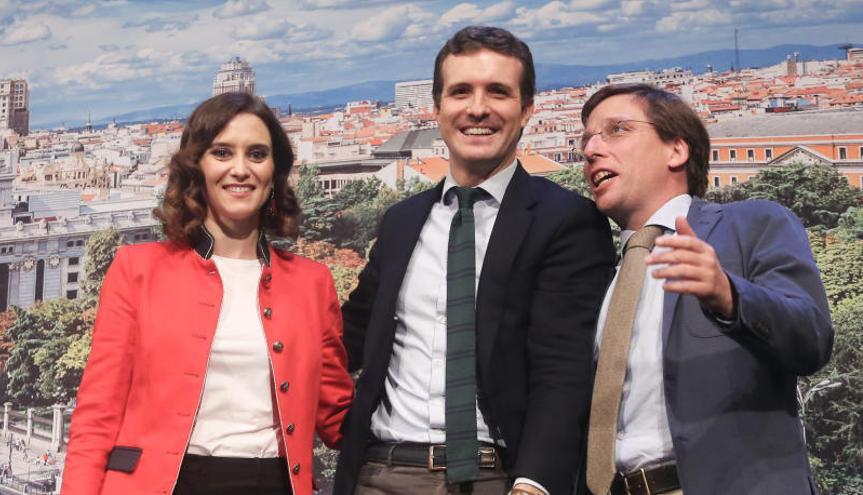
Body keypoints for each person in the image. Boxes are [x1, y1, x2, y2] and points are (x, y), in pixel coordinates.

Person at [334, 26, 615, 495]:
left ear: (526, 109)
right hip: (378, 472)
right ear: (437, 108)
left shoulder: (566, 221)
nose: (478, 108)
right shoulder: (402, 221)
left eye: (498, 92)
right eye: (460, 91)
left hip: (496, 477)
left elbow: (563, 367)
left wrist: (535, 483)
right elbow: (347, 338)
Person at [61, 92, 353, 495]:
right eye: (221, 152)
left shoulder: (312, 282)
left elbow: (337, 416)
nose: (240, 169)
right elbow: (97, 417)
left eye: (256, 154)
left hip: (273, 484)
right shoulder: (137, 269)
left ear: (274, 173)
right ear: (196, 168)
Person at [578, 83, 833, 495]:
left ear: (676, 150)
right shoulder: (596, 271)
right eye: (586, 138)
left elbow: (812, 340)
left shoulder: (753, 224)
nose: (590, 149)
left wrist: (730, 296)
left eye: (616, 130)